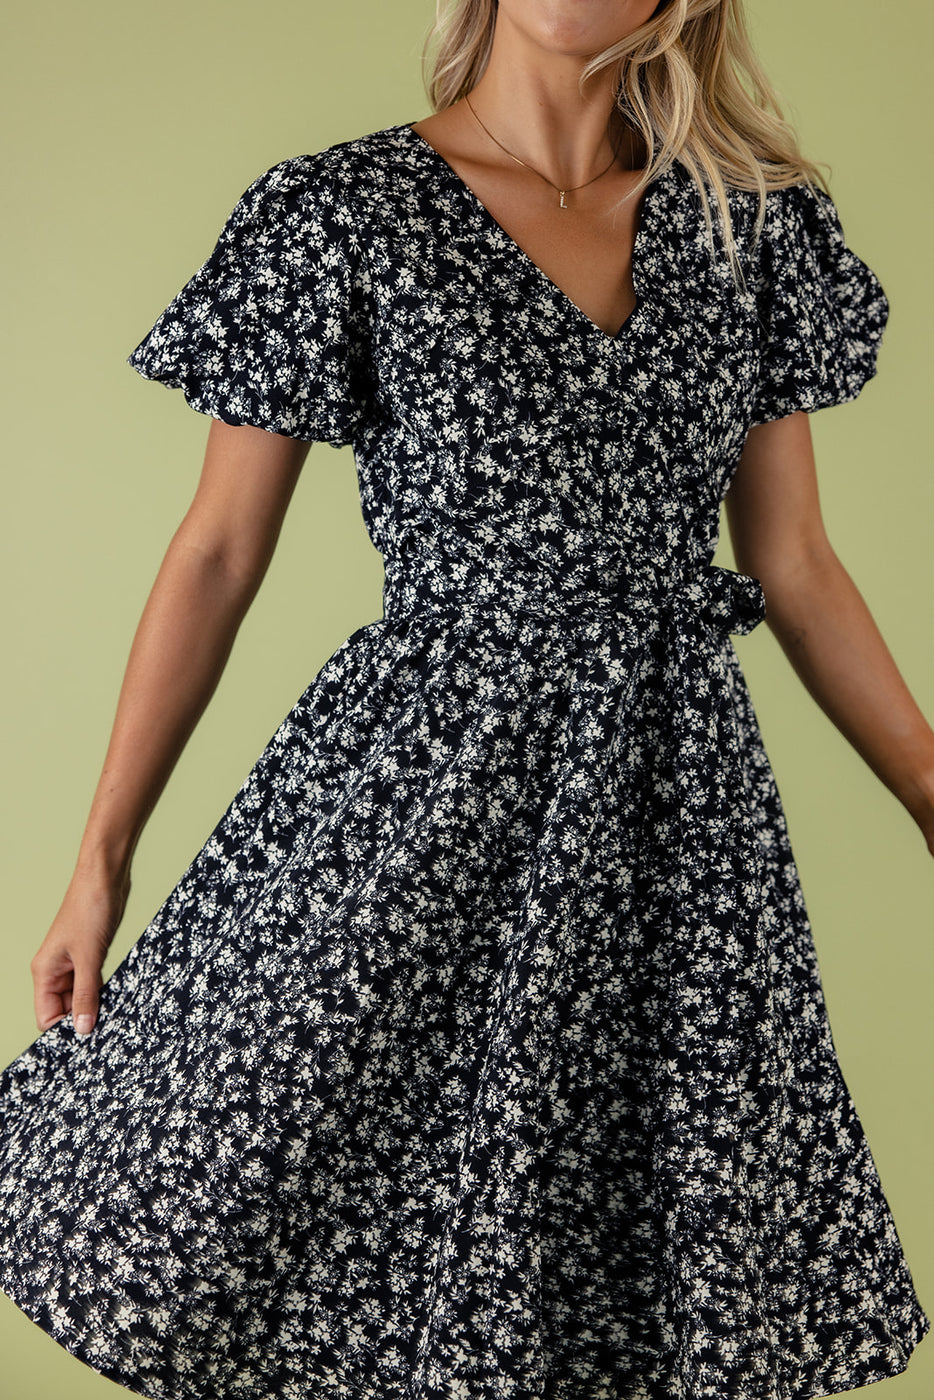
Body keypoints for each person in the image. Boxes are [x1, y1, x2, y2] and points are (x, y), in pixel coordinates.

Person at [0, 0, 930, 1396]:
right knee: (293, 1174)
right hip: (416, 792)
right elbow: (213, 552)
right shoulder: (338, 212)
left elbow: (791, 562)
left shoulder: (752, 226)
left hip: (667, 823)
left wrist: (927, 787)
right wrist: (98, 864)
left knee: (623, 1250)